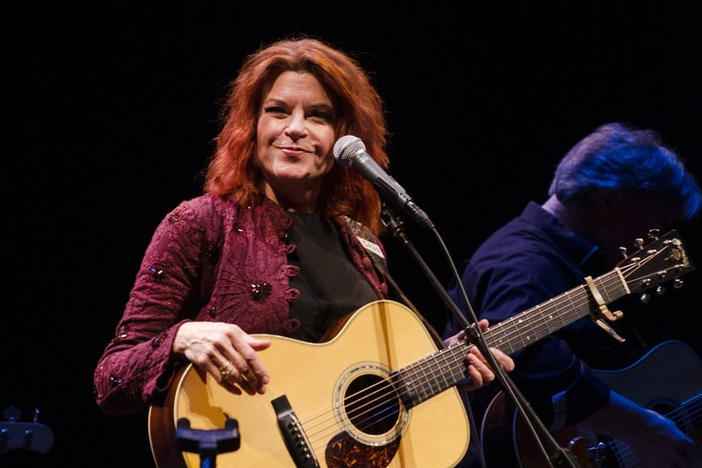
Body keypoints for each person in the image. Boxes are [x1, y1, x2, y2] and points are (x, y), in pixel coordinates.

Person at [93, 36, 513, 464]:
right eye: (278, 110)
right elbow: (111, 378)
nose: (295, 128)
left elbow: (356, 390)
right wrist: (182, 337)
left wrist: (442, 366)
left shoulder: (360, 237)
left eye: (318, 116)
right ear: (251, 125)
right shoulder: (202, 222)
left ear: (344, 137)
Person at [447, 122, 701, 467]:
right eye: (655, 224)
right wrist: (640, 427)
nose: (654, 242)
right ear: (609, 202)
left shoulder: (564, 259)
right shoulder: (525, 263)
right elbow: (525, 353)